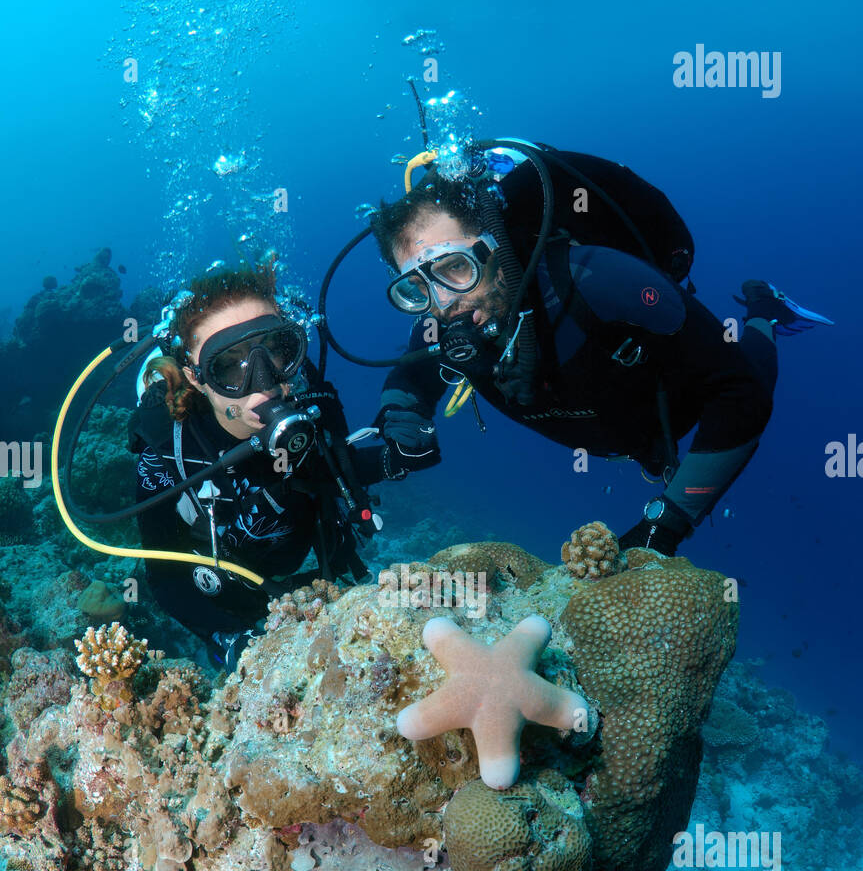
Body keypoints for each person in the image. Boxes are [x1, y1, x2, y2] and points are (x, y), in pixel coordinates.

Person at [367, 147, 832, 554]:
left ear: (496, 246)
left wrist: (668, 521)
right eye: (416, 288)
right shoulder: (442, 321)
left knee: (753, 365)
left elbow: (741, 393)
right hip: (617, 432)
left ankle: (764, 308)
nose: (443, 302)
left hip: (678, 405)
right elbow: (412, 376)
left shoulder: (599, 279)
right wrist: (399, 419)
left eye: (455, 267)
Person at [128, 263, 410, 668]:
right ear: (196, 377)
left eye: (276, 349)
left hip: (318, 581)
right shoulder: (166, 452)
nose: (264, 382)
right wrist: (226, 637)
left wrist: (392, 458)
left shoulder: (310, 404)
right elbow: (165, 578)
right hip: (228, 599)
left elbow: (334, 469)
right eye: (228, 365)